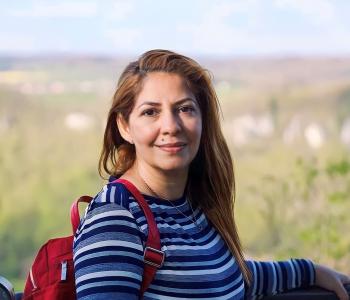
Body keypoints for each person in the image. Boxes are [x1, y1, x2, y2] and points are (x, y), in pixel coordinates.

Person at [73, 49, 350, 300]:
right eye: (150, 112)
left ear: (203, 119)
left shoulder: (192, 209)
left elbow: (221, 276)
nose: (171, 125)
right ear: (124, 127)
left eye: (184, 109)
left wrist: (309, 272)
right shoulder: (116, 217)